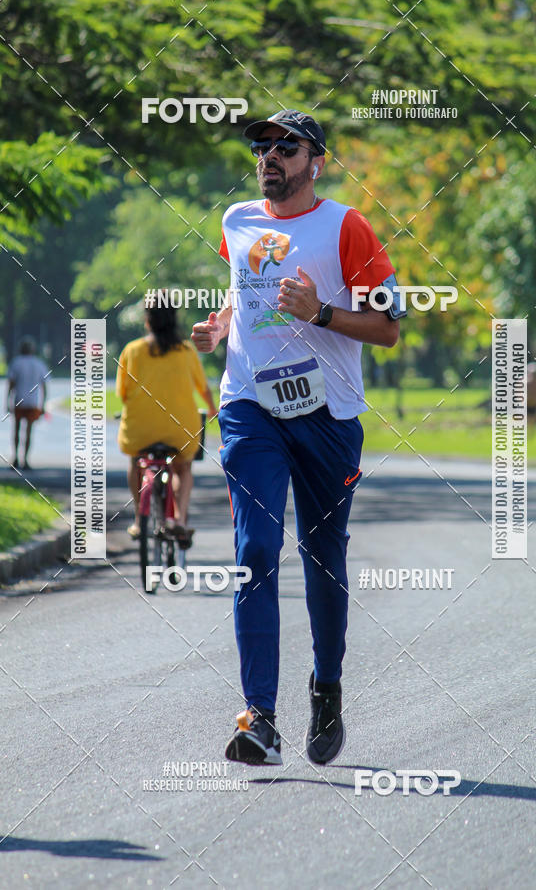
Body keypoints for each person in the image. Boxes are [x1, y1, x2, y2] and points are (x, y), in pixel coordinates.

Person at [192, 109, 403, 766]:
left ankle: (327, 686)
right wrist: (222, 326)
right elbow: (244, 287)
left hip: (328, 416)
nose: (269, 155)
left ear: (316, 161)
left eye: (286, 146)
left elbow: (390, 327)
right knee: (255, 549)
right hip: (250, 406)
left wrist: (321, 312)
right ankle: (261, 718)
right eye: (261, 145)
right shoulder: (236, 221)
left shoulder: (346, 226)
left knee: (323, 560)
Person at [117, 300, 217, 547]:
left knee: (135, 460)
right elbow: (203, 388)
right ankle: (180, 521)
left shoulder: (132, 350)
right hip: (180, 429)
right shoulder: (186, 350)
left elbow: (123, 393)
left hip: (140, 429)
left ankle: (140, 521)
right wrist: (213, 409)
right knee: (183, 468)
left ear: (147, 320)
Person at [6, 337, 48, 470]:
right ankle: (26, 459)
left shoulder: (16, 363)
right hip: (33, 402)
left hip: (19, 400)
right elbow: (44, 386)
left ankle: (16, 458)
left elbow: (11, 384)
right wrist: (43, 404)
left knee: (17, 430)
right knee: (29, 432)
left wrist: (7, 401)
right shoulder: (39, 364)